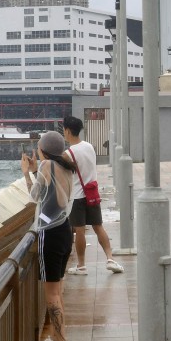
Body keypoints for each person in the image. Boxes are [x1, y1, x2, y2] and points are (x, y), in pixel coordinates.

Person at [22, 130, 76, 341]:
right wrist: (37, 169)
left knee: (52, 295)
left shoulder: (47, 166)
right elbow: (53, 195)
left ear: (43, 150)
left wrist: (27, 173)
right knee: (58, 290)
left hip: (50, 235)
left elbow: (35, 196)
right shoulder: (63, 166)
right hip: (64, 230)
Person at [61, 115, 124, 275]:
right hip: (92, 193)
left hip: (77, 196)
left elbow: (63, 175)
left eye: (64, 130)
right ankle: (110, 258)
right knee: (98, 226)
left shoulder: (67, 154)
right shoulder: (89, 146)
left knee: (80, 230)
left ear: (67, 131)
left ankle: (81, 265)